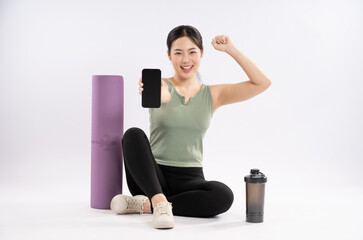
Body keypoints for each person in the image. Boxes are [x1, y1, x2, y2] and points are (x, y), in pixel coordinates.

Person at [110, 25, 271, 229]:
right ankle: (158, 201)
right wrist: (160, 95)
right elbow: (162, 95)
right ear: (169, 55)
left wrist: (231, 49)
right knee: (133, 134)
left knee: (223, 196)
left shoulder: (213, 95)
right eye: (178, 53)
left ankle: (146, 205)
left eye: (192, 52)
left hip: (190, 180)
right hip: (151, 177)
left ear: (202, 53)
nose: (186, 60)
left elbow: (262, 83)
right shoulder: (160, 85)